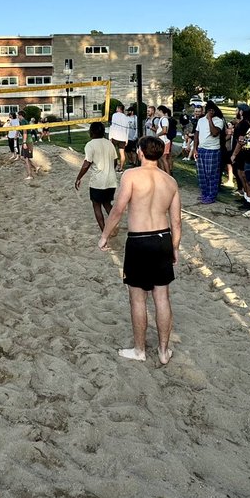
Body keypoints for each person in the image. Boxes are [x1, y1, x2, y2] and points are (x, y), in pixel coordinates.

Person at [98, 136, 181, 366]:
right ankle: (164, 351)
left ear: (141, 152)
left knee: (138, 299)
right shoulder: (170, 182)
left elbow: (118, 209)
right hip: (163, 238)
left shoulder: (131, 175)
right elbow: (177, 222)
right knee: (162, 297)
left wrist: (104, 236)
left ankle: (139, 350)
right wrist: (175, 247)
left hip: (139, 241)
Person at [75, 122, 119, 230]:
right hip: (111, 180)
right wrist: (109, 170)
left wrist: (79, 178)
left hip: (97, 181)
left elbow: (86, 164)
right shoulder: (109, 143)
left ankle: (104, 231)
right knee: (107, 204)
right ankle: (115, 224)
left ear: (91, 132)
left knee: (96, 205)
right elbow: (115, 161)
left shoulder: (90, 145)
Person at [195, 101, 224, 204]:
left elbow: (214, 133)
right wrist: (195, 148)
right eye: (209, 110)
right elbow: (196, 134)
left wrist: (210, 119)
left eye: (212, 110)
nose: (210, 112)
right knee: (201, 174)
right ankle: (204, 193)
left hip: (212, 150)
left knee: (211, 174)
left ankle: (211, 195)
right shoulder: (201, 120)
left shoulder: (219, 121)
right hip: (201, 149)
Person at [109, 103, 133, 172]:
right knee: (122, 153)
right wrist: (126, 139)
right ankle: (121, 167)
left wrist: (110, 136)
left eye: (117, 108)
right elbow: (127, 128)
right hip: (123, 137)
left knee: (113, 152)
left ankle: (114, 166)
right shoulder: (126, 117)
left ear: (119, 109)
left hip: (115, 136)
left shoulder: (114, 115)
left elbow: (112, 126)